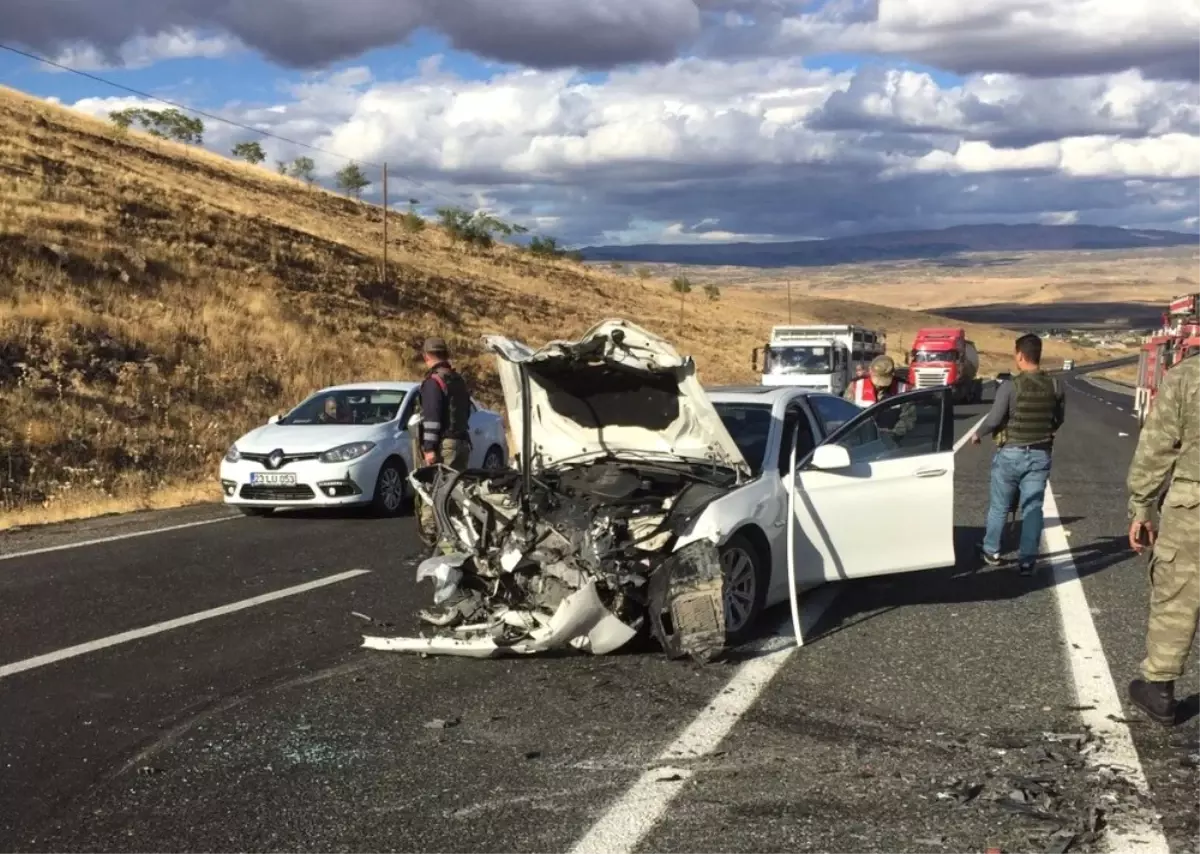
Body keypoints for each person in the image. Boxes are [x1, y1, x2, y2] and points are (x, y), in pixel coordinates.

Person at [1125, 353, 1200, 727]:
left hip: (1194, 507)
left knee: (1178, 595)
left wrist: (1141, 506)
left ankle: (1161, 690)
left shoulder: (1187, 377)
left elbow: (1156, 448)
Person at [971, 333, 1065, 575]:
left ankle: (991, 550)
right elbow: (1058, 420)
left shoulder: (1011, 386)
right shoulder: (1055, 386)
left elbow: (994, 419)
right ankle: (1027, 560)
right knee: (1033, 508)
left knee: (999, 506)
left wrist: (978, 434)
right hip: (1040, 454)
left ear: (1020, 355)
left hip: (1010, 454)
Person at [415, 336, 472, 549]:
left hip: (445, 445)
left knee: (435, 489)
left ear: (426, 356)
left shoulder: (433, 382)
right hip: (462, 442)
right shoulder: (457, 379)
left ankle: (433, 534)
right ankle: (457, 531)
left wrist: (429, 448)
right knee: (455, 491)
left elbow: (432, 418)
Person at [844, 355, 909, 407]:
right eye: (878, 378)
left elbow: (908, 417)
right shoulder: (855, 386)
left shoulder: (903, 389)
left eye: (884, 380)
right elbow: (846, 411)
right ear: (870, 370)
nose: (880, 385)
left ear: (892, 374)